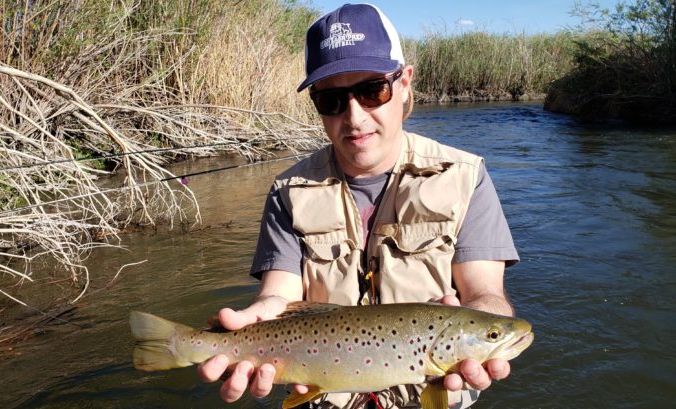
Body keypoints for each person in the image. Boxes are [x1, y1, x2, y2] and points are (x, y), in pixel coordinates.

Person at [198, 3, 519, 408]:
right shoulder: (288, 190)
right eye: (331, 99)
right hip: (318, 393)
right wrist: (257, 317)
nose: (354, 116)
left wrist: (488, 322)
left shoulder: (466, 176)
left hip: (434, 394)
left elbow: (485, 293)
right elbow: (278, 294)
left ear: (405, 84)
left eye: (372, 91)